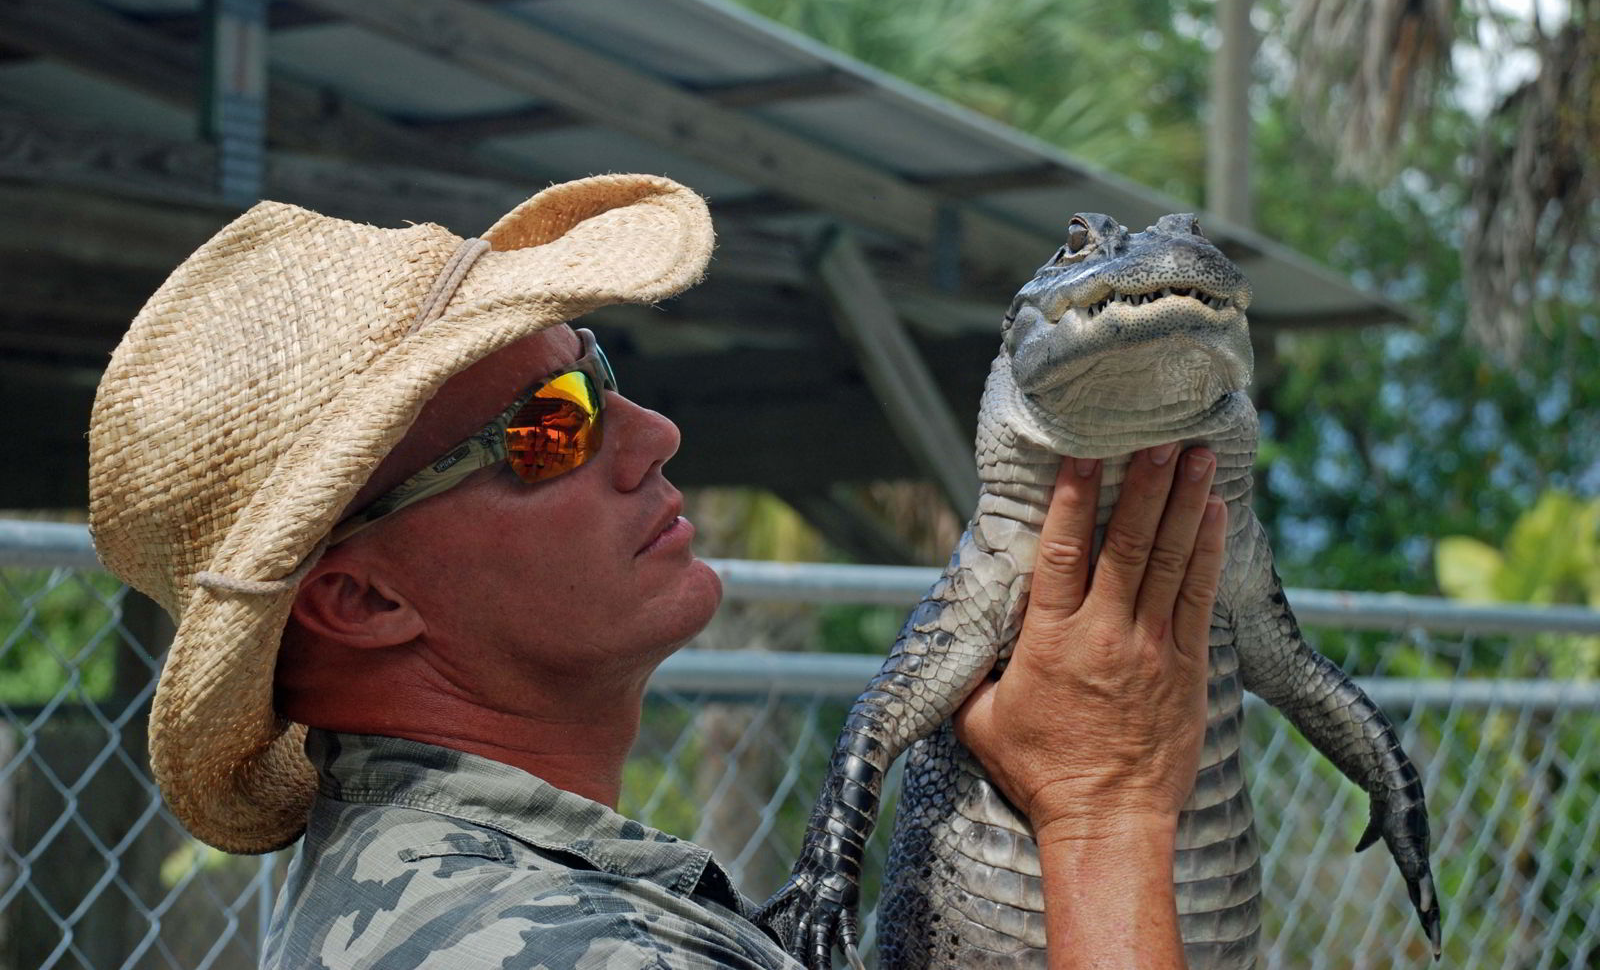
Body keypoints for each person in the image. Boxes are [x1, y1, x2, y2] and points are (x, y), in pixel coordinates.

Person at [87, 175, 1222, 969]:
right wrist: (1102, 813)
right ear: (362, 599)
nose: (653, 433)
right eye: (549, 428)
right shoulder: (570, 948)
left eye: (599, 369)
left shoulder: (449, 878)